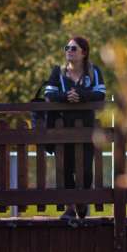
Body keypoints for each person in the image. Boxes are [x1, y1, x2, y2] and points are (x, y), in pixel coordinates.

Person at [43, 36, 106, 220]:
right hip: (62, 128)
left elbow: (100, 95)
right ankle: (71, 207)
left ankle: (82, 203)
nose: (69, 51)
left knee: (86, 170)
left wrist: (80, 95)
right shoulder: (58, 72)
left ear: (83, 53)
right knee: (66, 169)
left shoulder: (94, 72)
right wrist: (66, 97)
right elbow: (49, 95)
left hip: (87, 129)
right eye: (67, 47)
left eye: (73, 48)